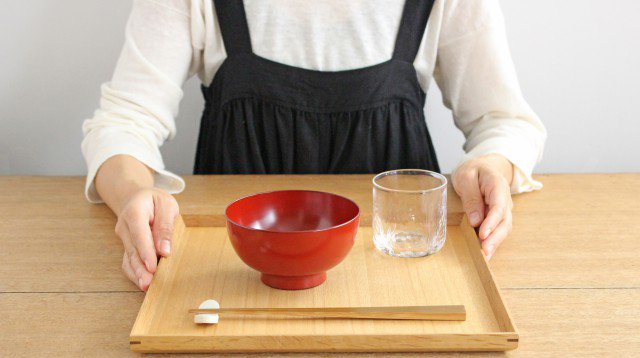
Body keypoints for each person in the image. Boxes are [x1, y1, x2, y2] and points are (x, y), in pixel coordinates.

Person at [82, 0, 546, 291]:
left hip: (400, 279)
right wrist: (131, 194)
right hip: (233, 281)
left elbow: (504, 121)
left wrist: (493, 164)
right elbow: (125, 120)